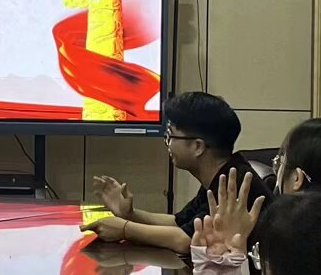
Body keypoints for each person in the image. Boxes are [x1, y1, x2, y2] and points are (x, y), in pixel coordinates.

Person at [86, 90, 271, 256]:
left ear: (197, 146)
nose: (167, 143)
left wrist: (125, 229)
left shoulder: (233, 183)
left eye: (171, 135)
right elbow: (178, 223)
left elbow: (186, 241)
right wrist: (130, 214)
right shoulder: (222, 173)